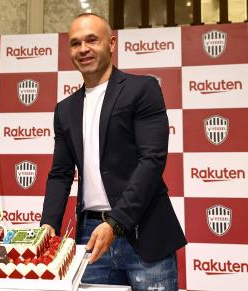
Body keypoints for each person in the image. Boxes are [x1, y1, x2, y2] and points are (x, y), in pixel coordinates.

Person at [40, 13, 186, 291]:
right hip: (90, 235)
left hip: (145, 232)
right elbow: (60, 174)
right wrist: (48, 225)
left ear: (112, 43)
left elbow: (152, 161)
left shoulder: (142, 89)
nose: (83, 49)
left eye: (92, 40)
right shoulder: (65, 109)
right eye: (75, 43)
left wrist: (116, 222)